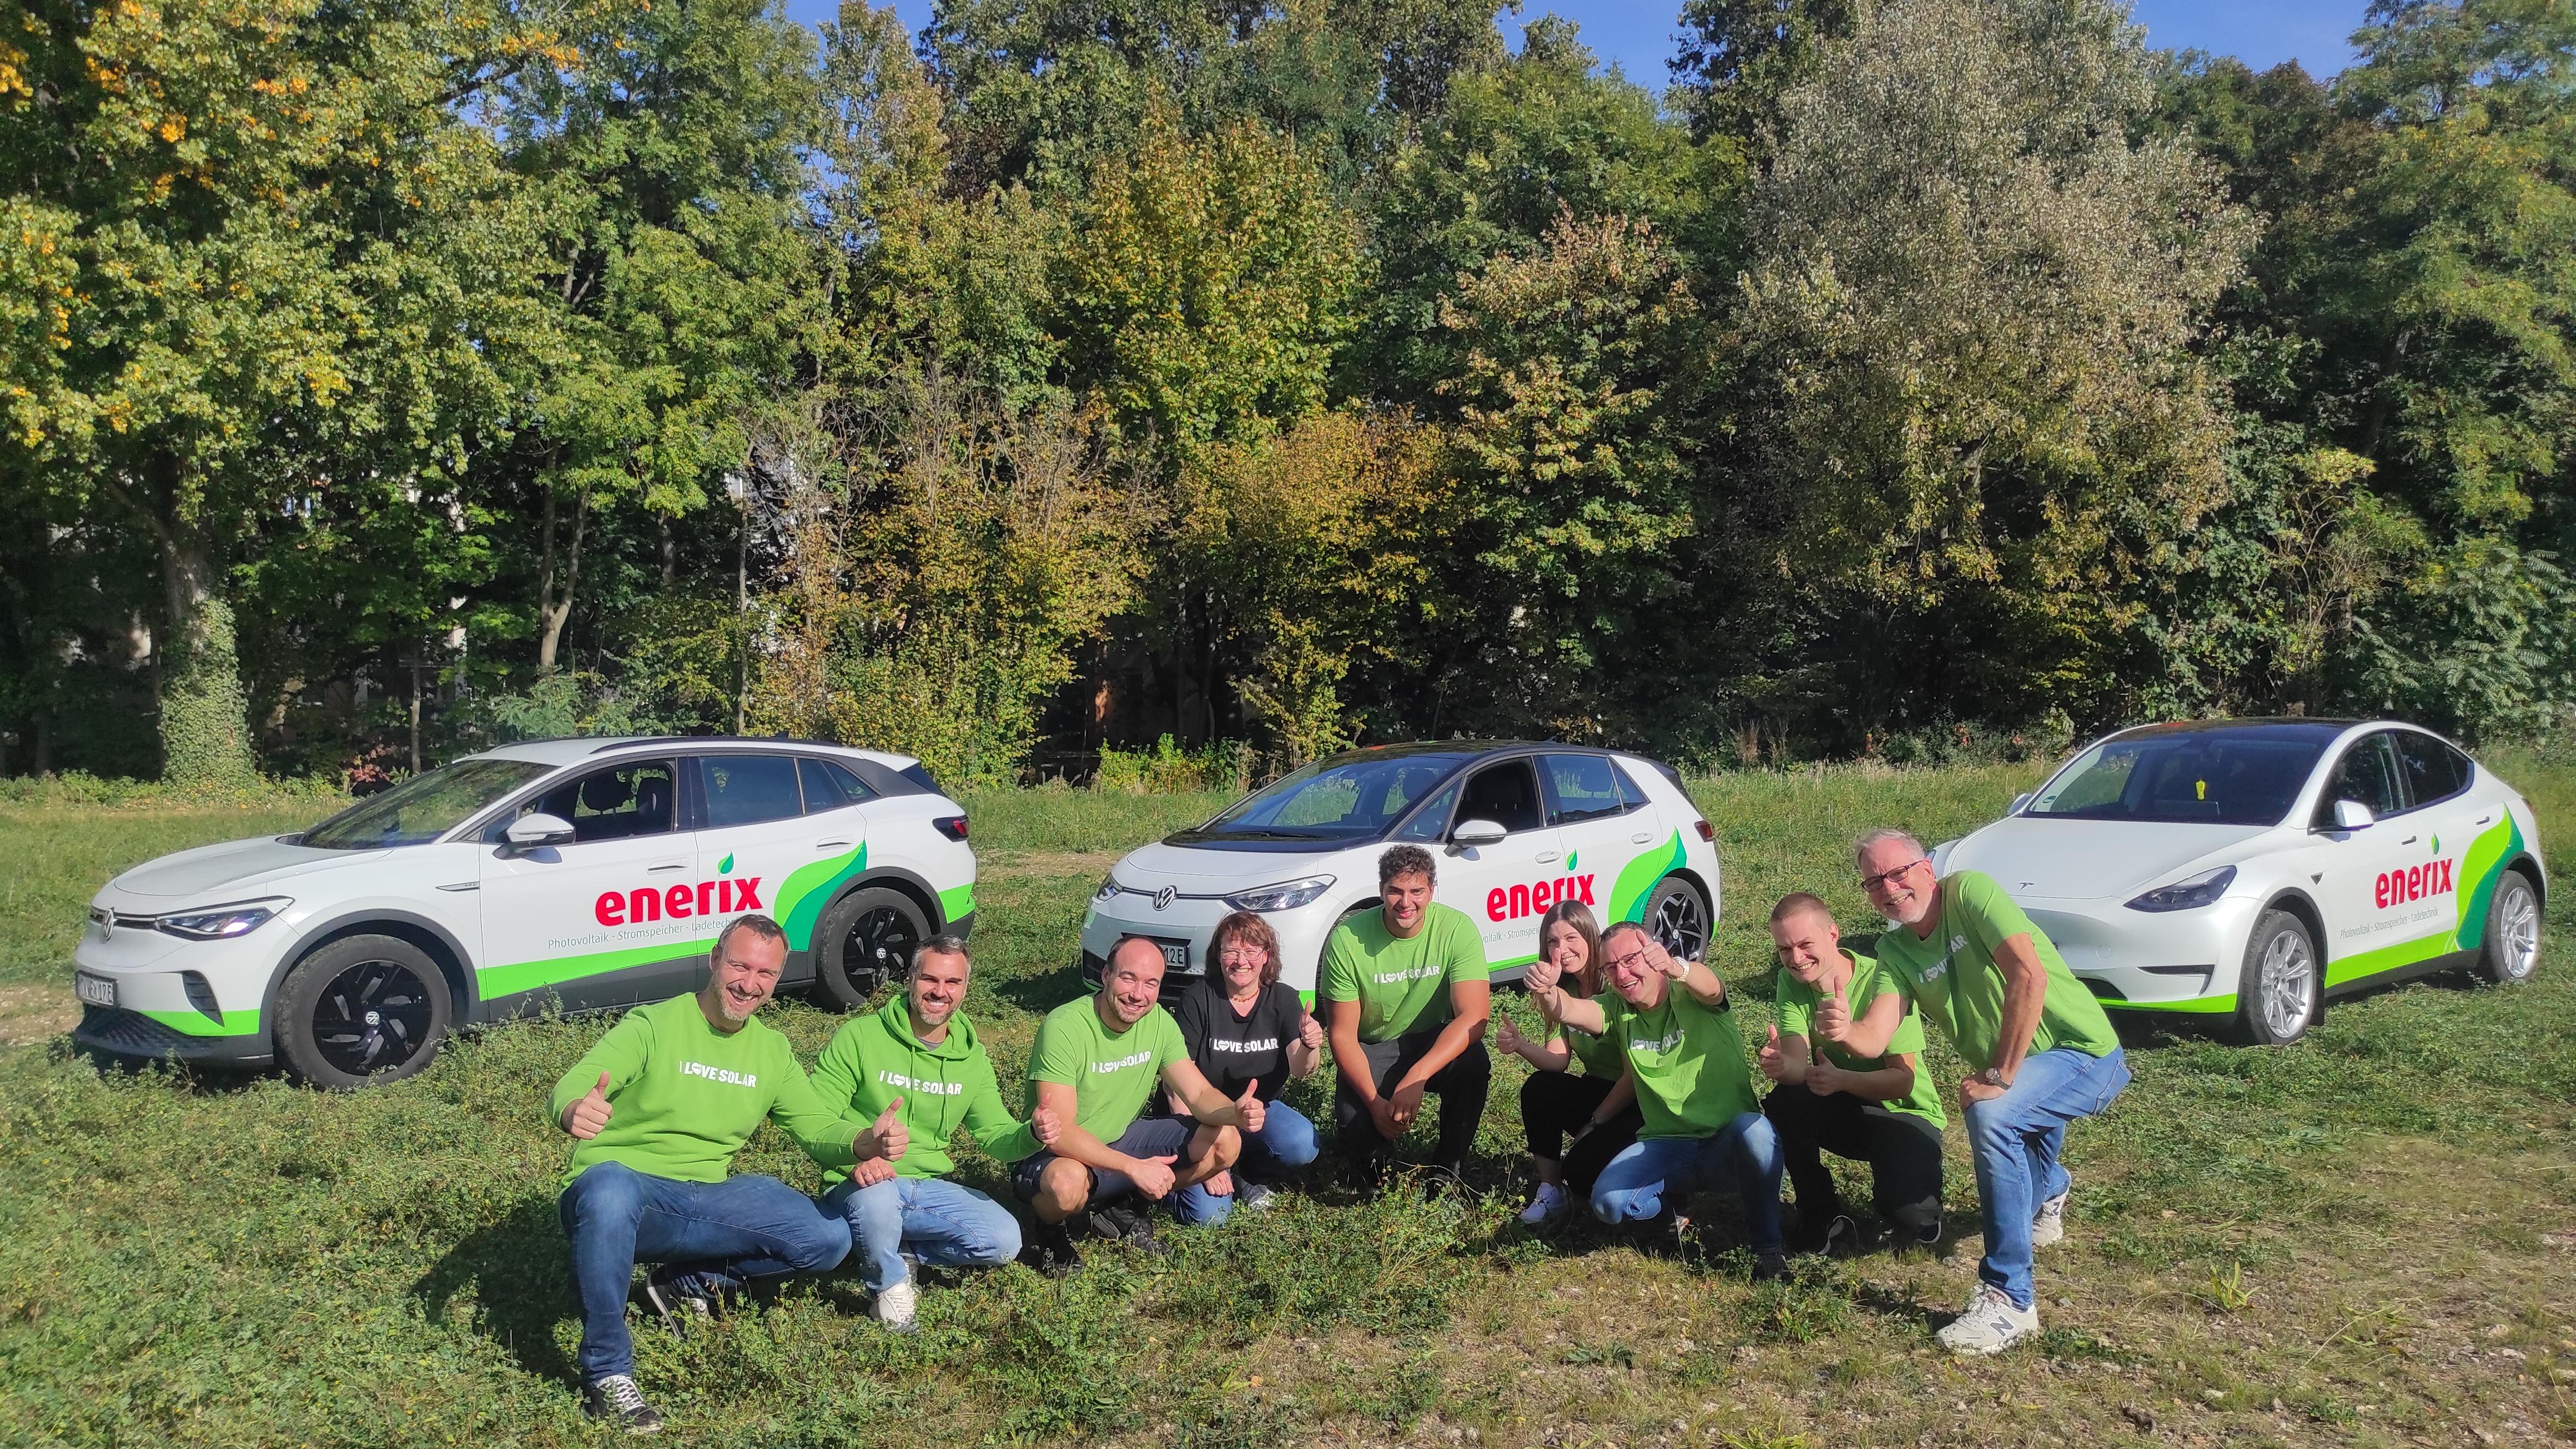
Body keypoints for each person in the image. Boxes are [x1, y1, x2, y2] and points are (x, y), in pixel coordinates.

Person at [550, 914, 891, 1433]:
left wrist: (860, 1142)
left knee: (829, 1237)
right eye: (739, 965)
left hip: (707, 1200)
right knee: (608, 1188)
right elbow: (581, 1077)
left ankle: (689, 1281)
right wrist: (573, 1107)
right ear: (714, 960)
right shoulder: (654, 1024)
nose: (749, 984)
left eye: (765, 974)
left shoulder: (772, 1051)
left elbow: (815, 1125)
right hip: (630, 1196)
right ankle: (608, 1373)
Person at [1855, 828, 2130, 1355]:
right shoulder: (1893, 948)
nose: (1889, 889)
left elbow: (2028, 976)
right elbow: (1875, 1034)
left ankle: (2010, 1298)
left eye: (1898, 873)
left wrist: (2001, 1073)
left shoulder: (1971, 892)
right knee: (2016, 1151)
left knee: (1994, 1115)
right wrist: (1840, 1029)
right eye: (1874, 882)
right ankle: (2050, 1186)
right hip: (2029, 1073)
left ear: (1927, 870)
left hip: (2082, 1053)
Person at [808, 934, 1057, 1332]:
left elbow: (995, 1134)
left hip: (928, 1189)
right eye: (929, 979)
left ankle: (902, 1251)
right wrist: (860, 1149)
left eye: (952, 983)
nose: (940, 992)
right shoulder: (858, 1037)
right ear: (910, 979)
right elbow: (814, 1118)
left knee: (1004, 1239)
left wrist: (1033, 1133)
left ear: (965, 989)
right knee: (877, 1198)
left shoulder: (972, 1058)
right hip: (862, 1181)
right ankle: (889, 1288)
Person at [1538, 922, 1787, 1280]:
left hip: (1726, 1142)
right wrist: (1548, 992)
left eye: (1631, 959)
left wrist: (1677, 967)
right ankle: (1673, 1208)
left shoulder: (1689, 992)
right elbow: (1571, 1010)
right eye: (1612, 968)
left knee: (1758, 1131)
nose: (1623, 974)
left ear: (1652, 954)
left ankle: (1769, 1250)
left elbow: (1713, 988)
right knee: (1608, 1203)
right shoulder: (1617, 1007)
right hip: (1666, 1145)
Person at [1012, 936, 1268, 1275]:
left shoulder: (1159, 1023)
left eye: (1151, 984)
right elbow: (1059, 1135)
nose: (1138, 995)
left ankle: (1123, 1206)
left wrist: (1234, 1112)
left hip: (1120, 1138)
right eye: (1129, 978)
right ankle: (1049, 1232)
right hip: (1055, 1153)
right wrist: (1133, 1168)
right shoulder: (1065, 1027)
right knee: (1067, 1183)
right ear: (1106, 976)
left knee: (1226, 1141)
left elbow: (1200, 1096)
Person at [1755, 893, 1946, 1255]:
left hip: (1904, 1113)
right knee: (1785, 1101)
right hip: (1848, 1107)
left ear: (1833, 934)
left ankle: (1919, 1206)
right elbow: (1797, 1063)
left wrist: (1842, 1079)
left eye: (1805, 944)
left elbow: (1903, 1080)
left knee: (1910, 1218)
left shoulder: (1883, 978)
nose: (1796, 959)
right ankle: (1820, 1216)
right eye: (1784, 949)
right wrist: (1784, 1066)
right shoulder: (1791, 982)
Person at [1321, 844, 1493, 1194]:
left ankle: (1448, 1168)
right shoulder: (1347, 939)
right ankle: (1379, 1158)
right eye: (1395, 891)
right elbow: (1341, 1036)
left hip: (1431, 1036)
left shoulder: (1457, 929)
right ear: (1381, 890)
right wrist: (1373, 1103)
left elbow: (1475, 1016)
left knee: (1473, 1062)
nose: (1406, 902)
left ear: (1432, 890)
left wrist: (1417, 1075)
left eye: (1417, 891)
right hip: (1374, 1045)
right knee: (1361, 1141)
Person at [1166, 912, 1325, 1211]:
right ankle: (1188, 1177)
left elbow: (1301, 1070)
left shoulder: (1284, 999)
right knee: (1209, 1215)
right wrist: (1204, 1159)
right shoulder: (1197, 999)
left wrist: (1310, 1044)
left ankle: (1245, 1172)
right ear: (1219, 955)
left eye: (1252, 951)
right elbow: (1176, 1087)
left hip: (1256, 1112)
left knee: (1301, 1143)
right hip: (1203, 1116)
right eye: (1232, 951)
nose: (1242, 960)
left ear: (1266, 956)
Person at [1495, 900, 1641, 1224]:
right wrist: (1520, 1045)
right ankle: (1550, 1190)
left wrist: (1595, 1123)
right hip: (1598, 1090)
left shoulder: (1616, 983)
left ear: (1590, 937)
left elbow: (1633, 1075)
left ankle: (1663, 1198)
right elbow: (1558, 1061)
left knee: (1583, 1171)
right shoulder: (1561, 990)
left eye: (1571, 938)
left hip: (1638, 1099)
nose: (1562, 949)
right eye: (1553, 941)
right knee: (1539, 1088)